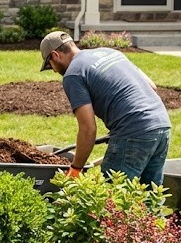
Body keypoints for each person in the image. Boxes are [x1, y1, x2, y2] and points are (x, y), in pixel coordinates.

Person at [40, 30, 172, 185]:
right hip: (162, 124)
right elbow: (152, 86)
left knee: (111, 198)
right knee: (151, 195)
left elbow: (88, 128)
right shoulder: (109, 52)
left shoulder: (73, 74)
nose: (54, 70)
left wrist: (75, 168)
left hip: (133, 131)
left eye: (50, 65)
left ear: (55, 55)